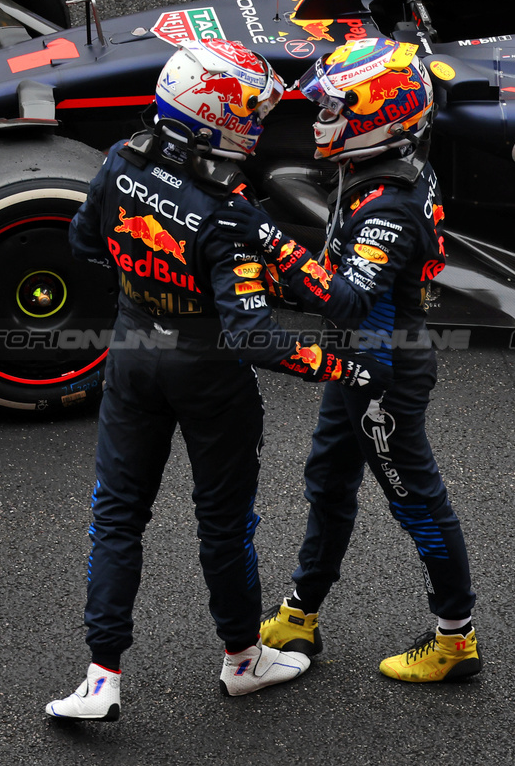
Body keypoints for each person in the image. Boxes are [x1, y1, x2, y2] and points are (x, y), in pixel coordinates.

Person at [46, 38, 386, 722]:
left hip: (133, 355)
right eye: (251, 111)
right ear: (217, 117)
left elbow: (84, 244)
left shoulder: (119, 161)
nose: (258, 123)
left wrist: (149, 284)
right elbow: (254, 335)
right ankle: (240, 661)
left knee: (117, 517)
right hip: (209, 378)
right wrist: (340, 365)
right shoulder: (233, 214)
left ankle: (101, 677)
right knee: (223, 527)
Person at [206, 38, 480, 683]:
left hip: (382, 371)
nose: (321, 122)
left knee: (417, 500)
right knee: (327, 479)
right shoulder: (381, 167)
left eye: (335, 112)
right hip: (356, 365)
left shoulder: (387, 207)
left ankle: (456, 638)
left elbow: (348, 300)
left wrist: (265, 244)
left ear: (377, 119)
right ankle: (302, 612)